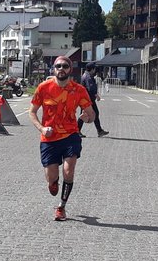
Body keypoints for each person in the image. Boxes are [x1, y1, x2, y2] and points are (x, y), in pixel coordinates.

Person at [28, 57, 94, 222]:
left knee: (68, 170)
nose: (61, 69)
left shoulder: (78, 90)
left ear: (70, 69)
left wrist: (87, 118)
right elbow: (32, 112)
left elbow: (91, 114)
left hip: (71, 135)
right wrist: (42, 128)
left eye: (65, 66)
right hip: (49, 138)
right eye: (58, 66)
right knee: (51, 176)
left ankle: (61, 207)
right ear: (53, 69)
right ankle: (53, 182)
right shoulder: (44, 88)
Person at [77, 63, 108, 138]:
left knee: (92, 113)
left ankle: (99, 130)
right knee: (87, 114)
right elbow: (90, 88)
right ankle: (77, 131)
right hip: (88, 99)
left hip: (86, 99)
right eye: (94, 69)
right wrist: (96, 95)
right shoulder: (88, 77)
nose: (95, 70)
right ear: (92, 69)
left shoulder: (86, 75)